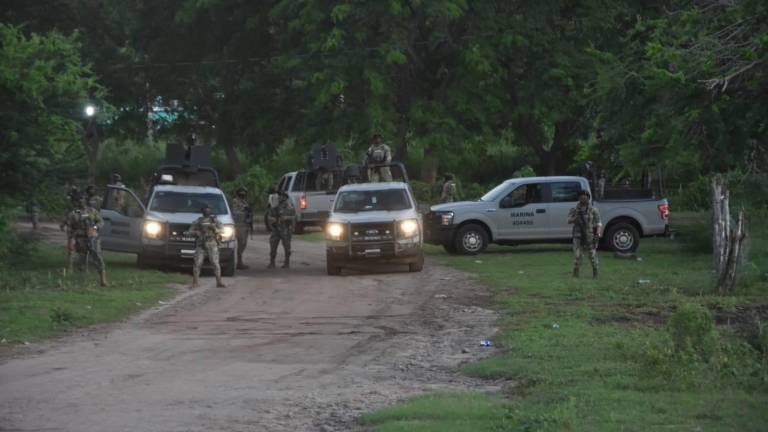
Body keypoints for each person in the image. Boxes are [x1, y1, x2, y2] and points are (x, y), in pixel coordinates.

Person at [65, 193, 107, 286]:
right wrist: (70, 241)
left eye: (82, 199)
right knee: (82, 260)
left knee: (97, 257)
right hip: (81, 239)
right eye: (79, 200)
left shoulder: (92, 211)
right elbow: (69, 228)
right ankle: (83, 281)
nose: (81, 201)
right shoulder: (73, 214)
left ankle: (102, 279)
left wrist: (95, 227)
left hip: (93, 238)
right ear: (76, 202)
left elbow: (101, 221)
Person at [189, 204, 226, 288]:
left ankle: (219, 282)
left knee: (215, 263)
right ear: (202, 211)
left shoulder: (214, 220)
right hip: (201, 244)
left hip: (212, 243)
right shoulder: (198, 221)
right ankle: (195, 282)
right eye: (205, 209)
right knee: (197, 263)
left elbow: (223, 230)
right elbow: (189, 232)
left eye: (208, 209)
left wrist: (215, 229)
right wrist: (195, 232)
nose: (207, 210)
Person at [567, 190, 602, 278]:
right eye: (581, 196)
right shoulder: (574, 209)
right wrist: (576, 218)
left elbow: (598, 223)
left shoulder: (593, 209)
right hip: (578, 236)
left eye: (585, 197)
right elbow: (568, 220)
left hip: (589, 235)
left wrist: (597, 234)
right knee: (577, 256)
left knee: (592, 256)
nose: (583, 198)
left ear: (588, 198)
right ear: (579, 198)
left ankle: (595, 273)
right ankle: (576, 274)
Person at [267, 191, 296, 269]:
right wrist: (274, 221)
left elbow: (294, 218)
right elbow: (269, 217)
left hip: (285, 229)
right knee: (273, 246)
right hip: (276, 229)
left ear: (285, 198)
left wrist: (286, 219)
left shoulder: (290, 208)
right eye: (279, 196)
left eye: (281, 196)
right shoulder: (275, 208)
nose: (279, 197)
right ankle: (272, 262)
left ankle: (287, 262)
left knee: (287, 247)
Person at [231, 186, 252, 270]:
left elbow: (249, 214)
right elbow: (235, 213)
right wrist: (244, 210)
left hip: (245, 225)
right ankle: (239, 263)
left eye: (244, 193)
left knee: (243, 244)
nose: (243, 195)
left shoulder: (245, 202)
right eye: (241, 193)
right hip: (239, 225)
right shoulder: (235, 201)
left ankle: (240, 262)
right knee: (241, 243)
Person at [60, 189, 80, 273]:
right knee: (71, 249)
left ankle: (79, 266)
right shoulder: (70, 210)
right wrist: (63, 225)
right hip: (72, 231)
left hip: (80, 231)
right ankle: (70, 267)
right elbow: (65, 218)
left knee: (81, 249)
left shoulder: (82, 209)